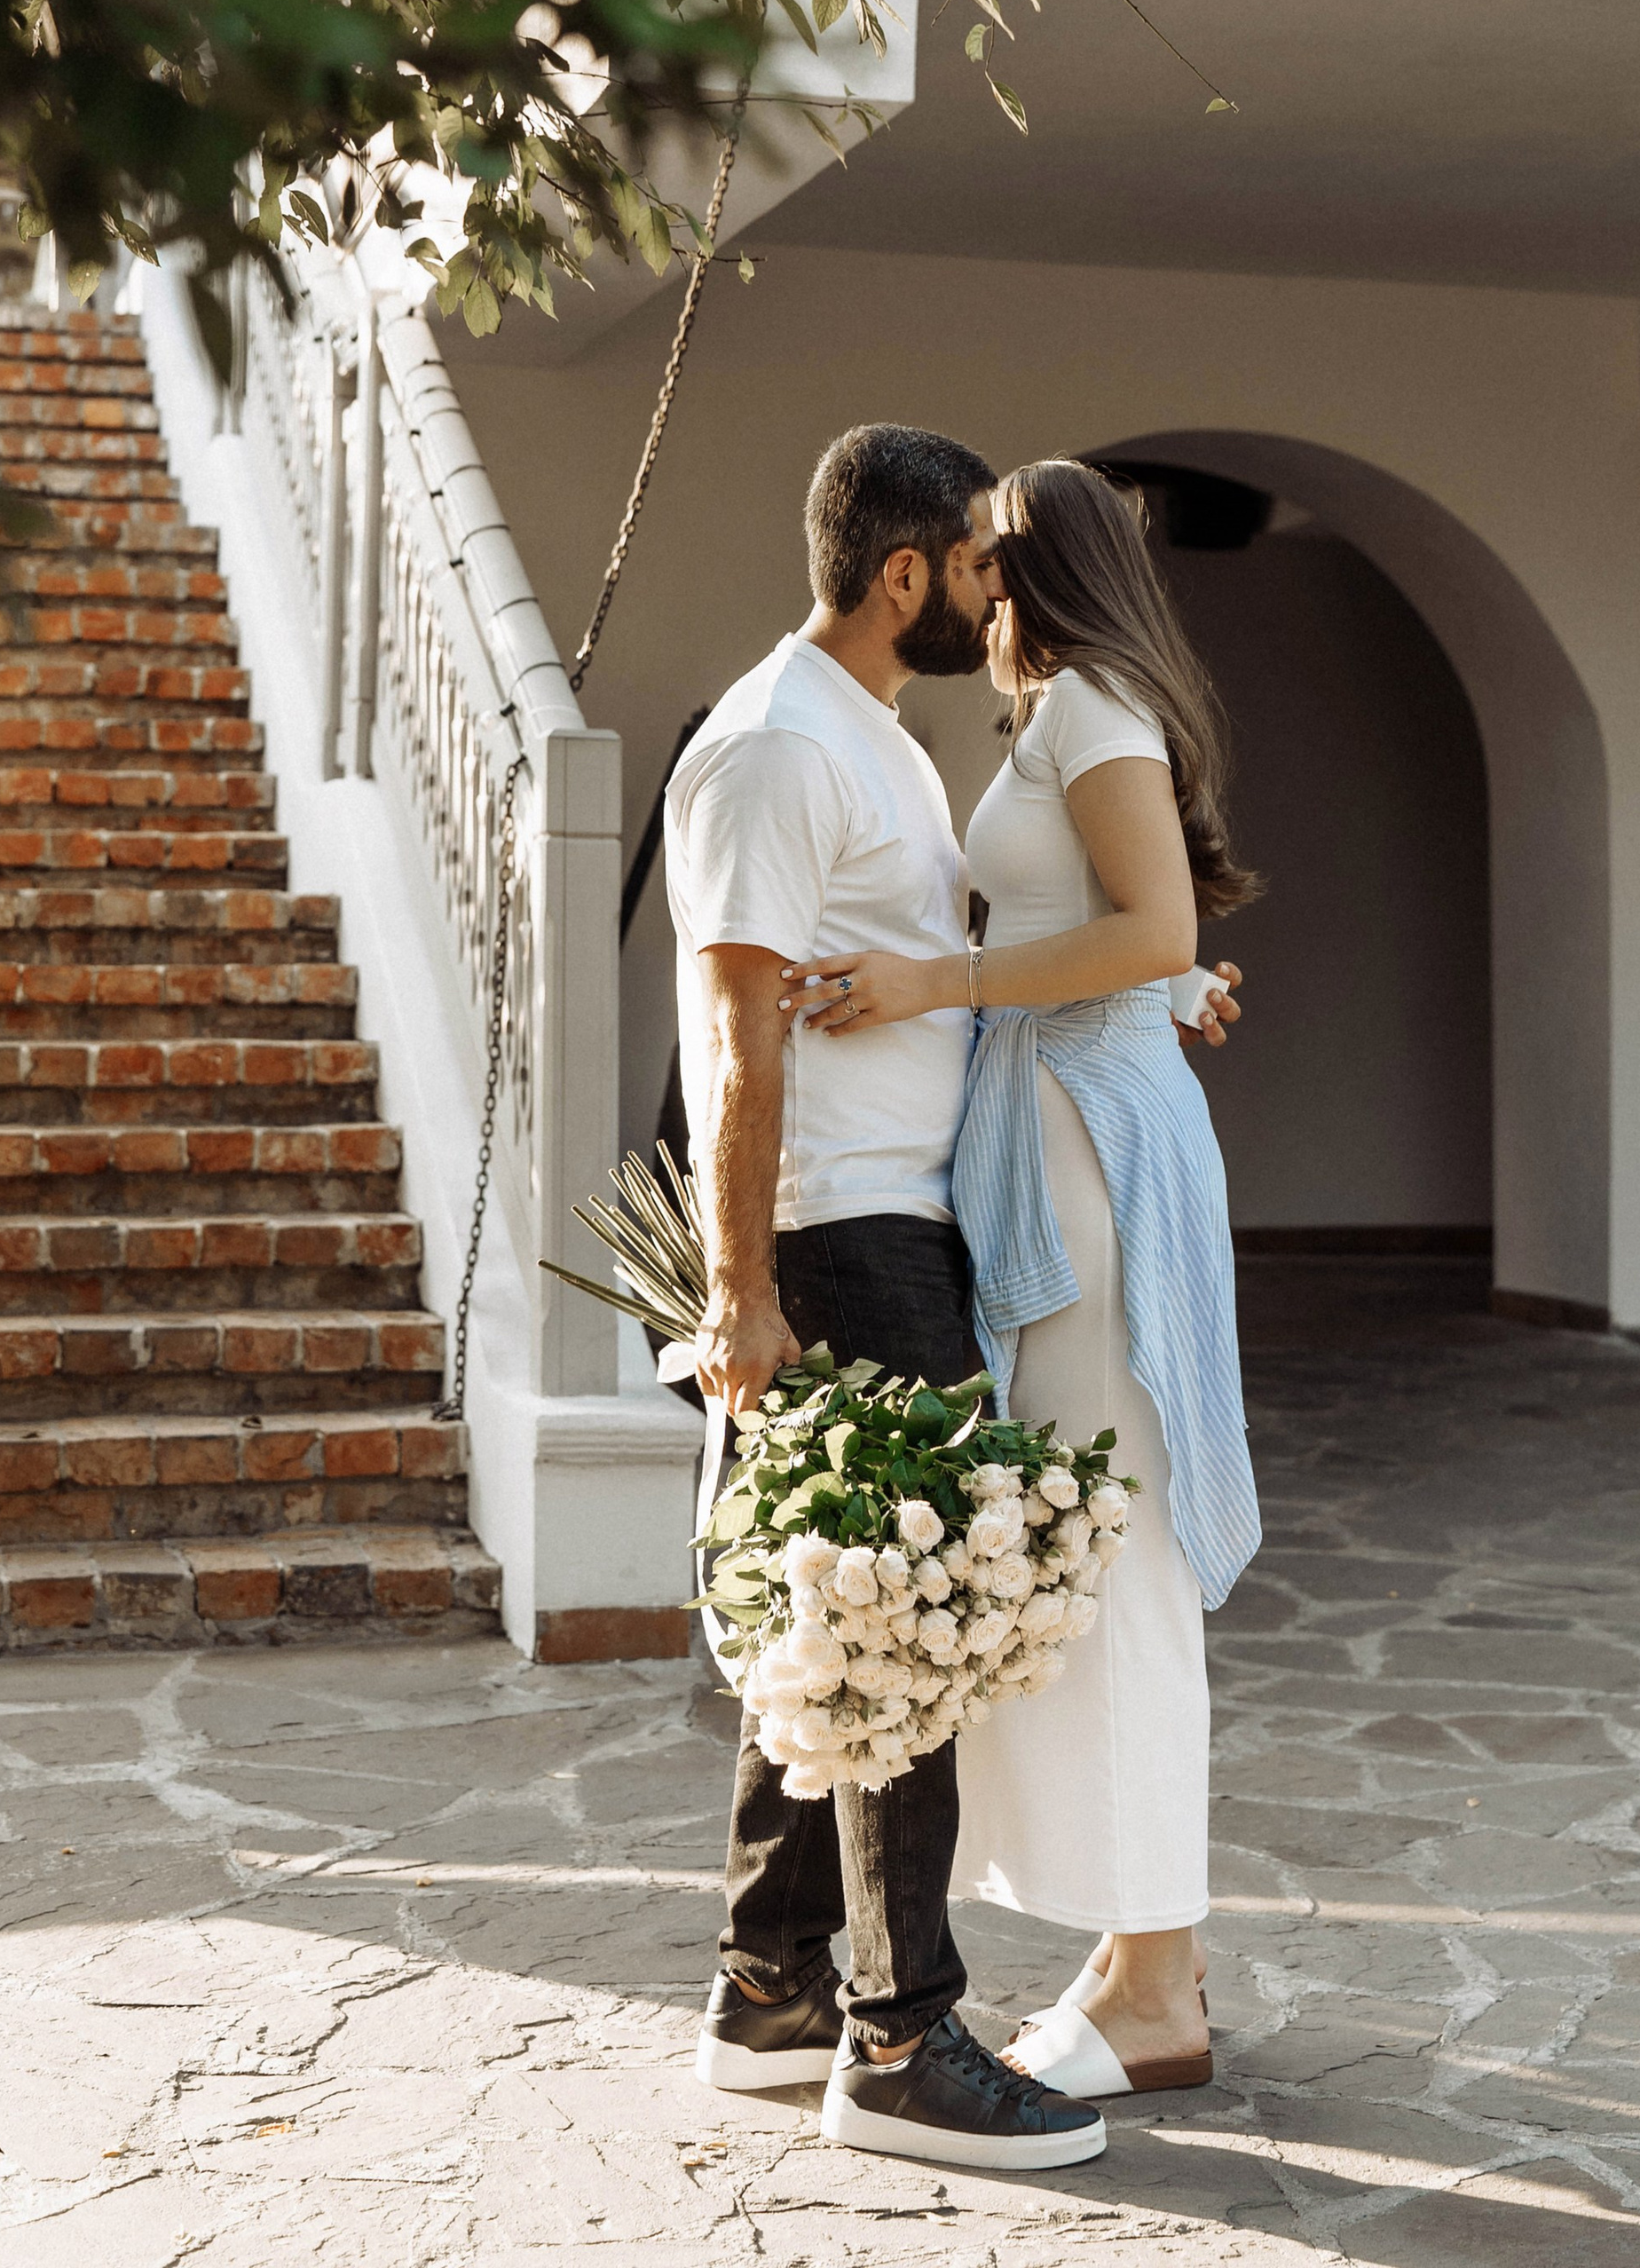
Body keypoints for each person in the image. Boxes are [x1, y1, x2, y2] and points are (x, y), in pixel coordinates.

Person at [666, 424, 1237, 2172]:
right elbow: (738, 1025)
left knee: (850, 1600)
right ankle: (900, 2040)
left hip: (919, 1215)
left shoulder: (887, 742)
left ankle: (771, 1985)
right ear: (905, 573)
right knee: (897, 1624)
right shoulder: (779, 744)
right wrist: (738, 1284)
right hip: (844, 1227)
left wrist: (1154, 989)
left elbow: (987, 961)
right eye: (975, 561)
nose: (996, 588)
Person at [800, 455, 1261, 2106]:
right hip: (1063, 1123)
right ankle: (1150, 1957)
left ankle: (1155, 1980)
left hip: (1090, 1153)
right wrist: (1164, 986)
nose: (973, 583)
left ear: (1038, 566)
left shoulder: (1093, 707)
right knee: (1088, 1539)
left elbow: (1150, 924)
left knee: (1111, 1544)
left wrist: (939, 978)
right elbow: (1134, 929)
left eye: (990, 554)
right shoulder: (1065, 712)